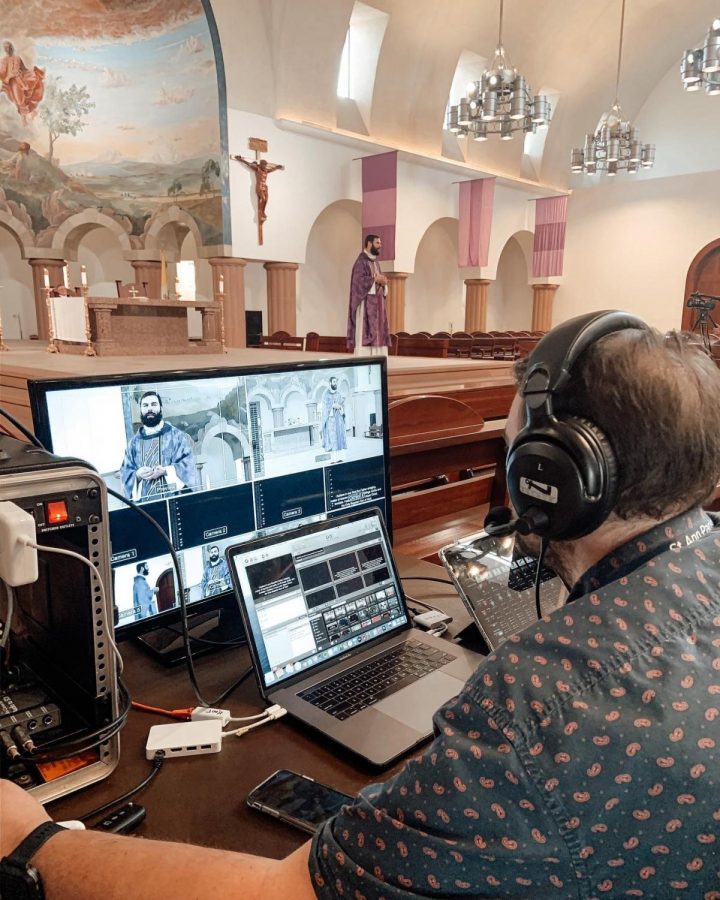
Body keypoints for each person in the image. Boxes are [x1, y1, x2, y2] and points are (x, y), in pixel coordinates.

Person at [2, 316, 720, 900]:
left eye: (515, 445)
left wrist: (33, 843)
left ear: (553, 477)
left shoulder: (546, 697)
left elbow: (285, 895)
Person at [119, 391, 201, 500]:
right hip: (145, 507)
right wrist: (138, 475)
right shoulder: (134, 443)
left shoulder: (176, 436)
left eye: (154, 404)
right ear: (141, 410)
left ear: (161, 408)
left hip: (174, 500)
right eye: (145, 405)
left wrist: (166, 471)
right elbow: (125, 473)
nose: (149, 409)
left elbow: (188, 466)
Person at [347, 234, 390, 356]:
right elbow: (358, 283)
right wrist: (375, 280)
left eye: (380, 243)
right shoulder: (361, 262)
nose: (380, 245)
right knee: (365, 333)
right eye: (378, 243)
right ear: (369, 244)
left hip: (378, 306)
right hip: (366, 306)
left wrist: (384, 283)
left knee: (379, 333)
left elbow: (379, 282)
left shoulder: (376, 263)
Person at [0, 41, 45, 124]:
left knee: (21, 95)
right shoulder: (3, 60)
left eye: (9, 47)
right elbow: (2, 72)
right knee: (16, 98)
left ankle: (27, 116)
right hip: (9, 80)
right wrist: (5, 77)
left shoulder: (17, 57)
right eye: (6, 48)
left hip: (19, 79)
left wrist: (30, 72)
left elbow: (20, 69)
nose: (8, 49)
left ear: (11, 48)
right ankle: (24, 117)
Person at [320, 376, 346, 463]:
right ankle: (332, 459)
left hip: (338, 419)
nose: (336, 384)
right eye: (334, 382)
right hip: (330, 420)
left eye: (336, 382)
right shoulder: (326, 394)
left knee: (339, 437)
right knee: (332, 438)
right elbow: (324, 407)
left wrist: (340, 407)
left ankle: (339, 458)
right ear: (330, 383)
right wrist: (332, 406)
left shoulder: (338, 394)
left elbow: (342, 404)